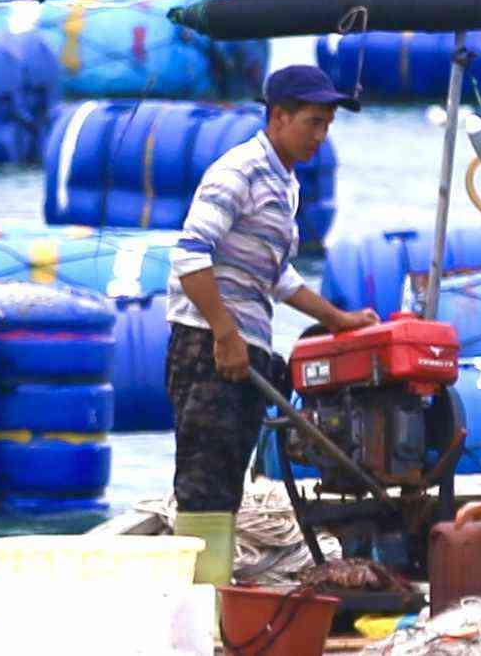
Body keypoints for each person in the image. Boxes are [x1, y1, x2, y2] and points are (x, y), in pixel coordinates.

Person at [166, 66, 380, 596]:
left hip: (245, 347)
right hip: (208, 344)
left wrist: (337, 319)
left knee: (228, 482)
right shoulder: (238, 171)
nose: (319, 136)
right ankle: (203, 607)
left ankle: (216, 597)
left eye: (327, 125)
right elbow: (189, 256)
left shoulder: (285, 183)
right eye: (312, 122)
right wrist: (225, 334)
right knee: (204, 483)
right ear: (278, 116)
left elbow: (276, 274)